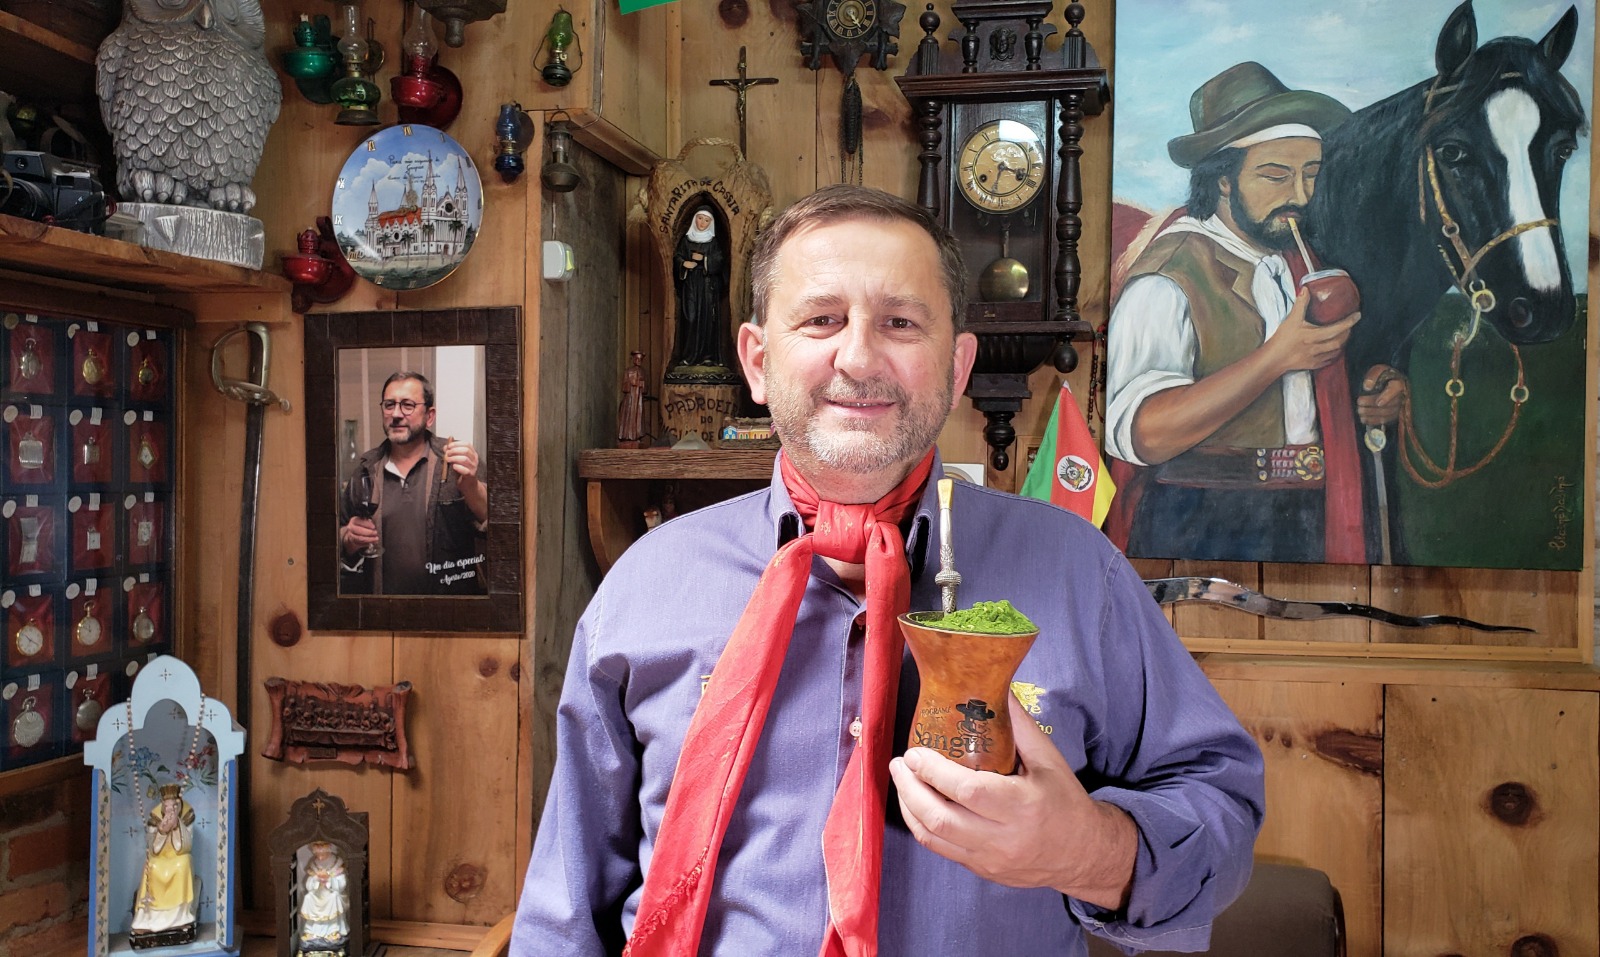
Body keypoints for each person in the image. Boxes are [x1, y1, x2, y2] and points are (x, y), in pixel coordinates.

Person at [511, 185, 1264, 956]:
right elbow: (563, 918)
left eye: (900, 322)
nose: (860, 357)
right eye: (821, 319)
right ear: (758, 361)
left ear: (958, 365)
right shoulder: (644, 584)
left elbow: (1224, 807)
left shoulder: (1081, 573)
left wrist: (1090, 852)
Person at [1104, 62, 1393, 564]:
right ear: (1222, 180)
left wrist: (1364, 397)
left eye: (1310, 174)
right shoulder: (1169, 276)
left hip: (1301, 513)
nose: (1300, 195)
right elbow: (1143, 434)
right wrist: (1276, 358)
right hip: (1198, 521)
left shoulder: (1296, 264)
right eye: (1276, 175)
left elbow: (1299, 405)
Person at [338, 371, 487, 595]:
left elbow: (498, 526)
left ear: (430, 416)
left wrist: (472, 487)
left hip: (450, 608)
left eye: (408, 405)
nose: (396, 414)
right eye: (389, 405)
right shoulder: (365, 469)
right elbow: (337, 535)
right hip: (381, 608)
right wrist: (348, 538)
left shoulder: (456, 461)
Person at [131, 784, 198, 941]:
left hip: (178, 856)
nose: (170, 810)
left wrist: (177, 826)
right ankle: (148, 916)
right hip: (160, 857)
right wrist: (162, 831)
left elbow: (185, 847)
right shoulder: (155, 818)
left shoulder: (187, 815)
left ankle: (180, 914)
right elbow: (153, 849)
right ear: (162, 805)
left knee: (183, 863)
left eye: (174, 806)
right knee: (152, 865)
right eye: (167, 806)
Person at [669, 206, 729, 370]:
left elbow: (720, 261)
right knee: (690, 318)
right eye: (700, 218)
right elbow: (677, 258)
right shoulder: (686, 240)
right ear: (695, 219)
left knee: (707, 319)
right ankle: (688, 356)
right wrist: (684, 263)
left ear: (710, 223)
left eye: (706, 220)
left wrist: (704, 259)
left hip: (707, 286)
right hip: (690, 285)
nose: (702, 223)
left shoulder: (713, 242)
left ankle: (707, 357)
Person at [298, 841, 350, 953]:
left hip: (331, 892)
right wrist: (316, 880)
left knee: (333, 897)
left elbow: (342, 883)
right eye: (318, 853)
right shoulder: (314, 864)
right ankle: (311, 931)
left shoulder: (336, 863)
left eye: (323, 853)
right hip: (318, 892)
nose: (320, 857)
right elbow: (309, 885)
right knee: (308, 897)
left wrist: (329, 881)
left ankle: (333, 930)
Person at [618, 350, 648, 448]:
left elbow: (645, 389)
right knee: (628, 415)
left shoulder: (643, 372)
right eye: (636, 359)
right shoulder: (628, 371)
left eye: (640, 359)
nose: (638, 361)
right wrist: (632, 383)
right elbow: (624, 387)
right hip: (630, 398)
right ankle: (626, 435)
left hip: (638, 398)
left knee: (638, 416)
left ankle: (637, 435)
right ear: (633, 359)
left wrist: (642, 385)